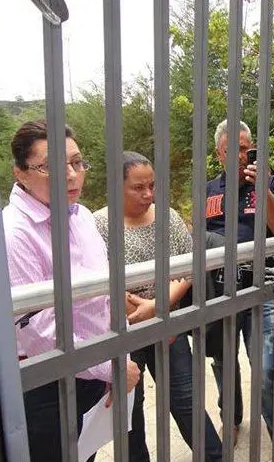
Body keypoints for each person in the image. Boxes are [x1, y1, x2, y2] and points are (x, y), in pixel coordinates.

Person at [3, 119, 140, 462]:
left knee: (86, 455)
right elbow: (38, 330)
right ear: (20, 172)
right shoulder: (13, 233)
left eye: (77, 162)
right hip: (47, 386)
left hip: (93, 372)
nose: (72, 174)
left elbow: (102, 296)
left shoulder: (82, 217)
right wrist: (111, 367)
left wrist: (115, 355)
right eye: (51, 166)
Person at [93, 151, 222, 462]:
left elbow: (188, 269)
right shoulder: (98, 224)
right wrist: (140, 314)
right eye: (139, 187)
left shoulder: (168, 217)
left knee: (186, 401)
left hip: (168, 326)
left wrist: (158, 306)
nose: (149, 194)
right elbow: (102, 281)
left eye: (152, 185)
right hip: (123, 334)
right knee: (129, 415)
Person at [206, 119, 274, 459]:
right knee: (223, 361)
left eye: (246, 149)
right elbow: (198, 236)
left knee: (268, 368)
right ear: (219, 154)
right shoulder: (210, 189)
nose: (242, 156)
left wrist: (263, 191)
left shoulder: (269, 181)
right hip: (221, 288)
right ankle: (232, 418)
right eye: (234, 150)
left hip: (262, 284)